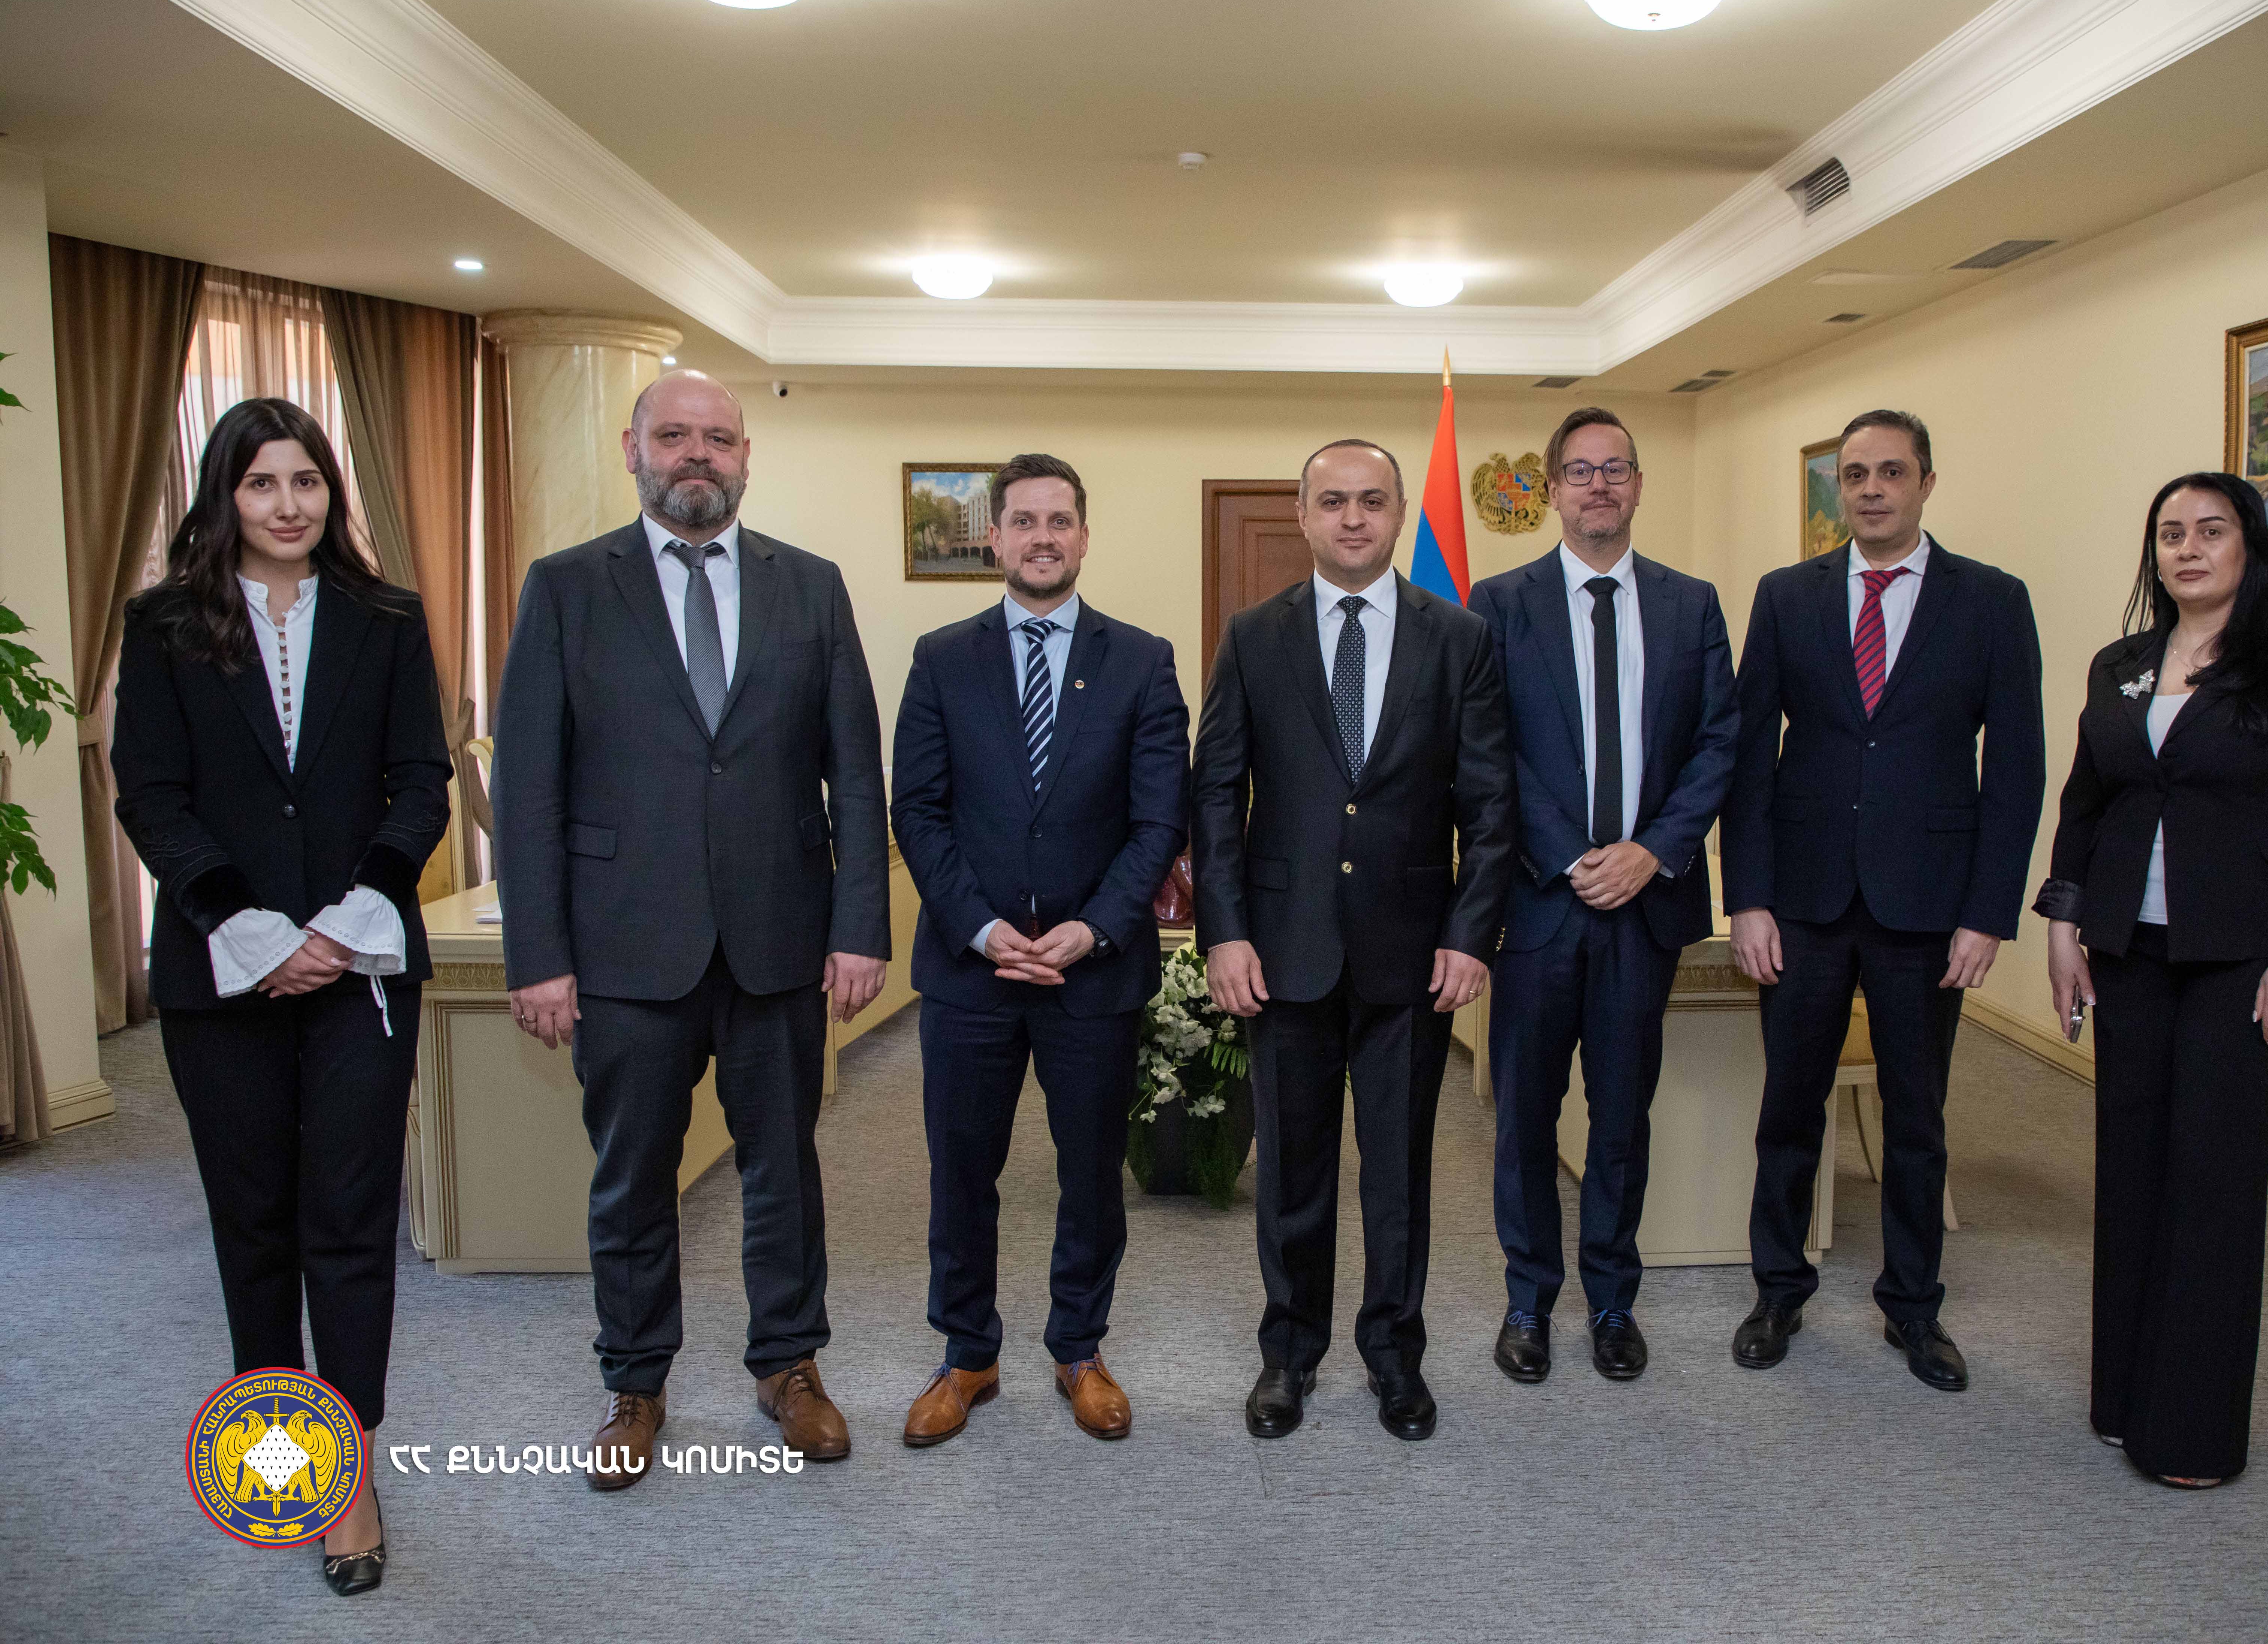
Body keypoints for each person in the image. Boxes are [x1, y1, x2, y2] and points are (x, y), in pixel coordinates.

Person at [492, 370, 890, 1489]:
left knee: (785, 1173)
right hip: (623, 949)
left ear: (747, 456)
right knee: (633, 1178)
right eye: (674, 436)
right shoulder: (567, 587)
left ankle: (790, 1367)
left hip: (778, 941)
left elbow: (856, 772)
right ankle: (635, 1382)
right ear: (634, 451)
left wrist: (860, 926)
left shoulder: (810, 587)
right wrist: (541, 955)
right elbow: (528, 789)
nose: (697, 455)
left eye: (718, 438)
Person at [114, 397, 449, 1595]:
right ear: (226, 496)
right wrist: (252, 932)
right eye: (262, 483)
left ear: (330, 493)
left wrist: (345, 922)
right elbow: (150, 795)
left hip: (361, 967)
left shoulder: (387, 618)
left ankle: (349, 1477)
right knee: (253, 1224)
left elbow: (422, 782)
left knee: (350, 1224)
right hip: (223, 970)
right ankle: (281, 1453)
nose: (289, 504)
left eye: (306, 480)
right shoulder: (163, 625)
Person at [2038, 472, 2268, 1489]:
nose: (2187, 550)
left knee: (2213, 1182)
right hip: (2129, 951)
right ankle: (2123, 1400)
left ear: (2251, 545)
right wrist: (2064, 926)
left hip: (2246, 956)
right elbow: (2087, 799)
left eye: (2211, 531)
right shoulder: (2124, 664)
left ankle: (2190, 1434)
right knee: (2131, 1169)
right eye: (2171, 534)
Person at [1192, 438, 1514, 1443]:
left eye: (1373, 501)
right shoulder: (1254, 636)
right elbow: (1216, 794)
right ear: (1303, 515)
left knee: (1399, 1174)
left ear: (1399, 512)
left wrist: (1471, 932)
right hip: (1283, 950)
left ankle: (1394, 1355)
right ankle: (1289, 1353)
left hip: (1411, 954)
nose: (1353, 519)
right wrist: (1224, 934)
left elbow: (1490, 804)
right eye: (1333, 501)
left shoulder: (1459, 636)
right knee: (1293, 1171)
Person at [1723, 408, 2043, 1391]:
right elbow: (1750, 756)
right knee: (1789, 1109)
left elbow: (2017, 768)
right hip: (1804, 901)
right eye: (1854, 474)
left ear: (1926, 484)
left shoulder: (1991, 601)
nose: (1870, 490)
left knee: (1918, 1119)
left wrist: (1988, 913)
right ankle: (1779, 1289)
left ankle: (1913, 1306)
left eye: (1891, 472)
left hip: (1928, 908)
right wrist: (1748, 898)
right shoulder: (1787, 596)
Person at [889, 454, 1189, 1446]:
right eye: (1024, 521)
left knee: (1091, 1174)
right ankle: (967, 1354)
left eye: (1061, 520)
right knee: (961, 1172)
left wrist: (1094, 926)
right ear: (995, 540)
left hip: (1092, 972)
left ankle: (1079, 1349)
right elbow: (917, 809)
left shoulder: (1142, 660)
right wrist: (982, 929)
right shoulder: (942, 658)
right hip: (969, 971)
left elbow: (1160, 819)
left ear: (1085, 537)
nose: (1043, 537)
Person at [1467, 408, 1738, 1384]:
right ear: (1552, 490)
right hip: (1539, 904)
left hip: (1645, 908)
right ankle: (1529, 1301)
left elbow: (1720, 742)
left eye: (1614, 469)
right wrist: (1573, 854)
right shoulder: (1499, 604)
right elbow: (1485, 748)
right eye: (1579, 472)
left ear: (1638, 484)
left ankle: (1615, 1301)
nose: (1598, 486)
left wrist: (1651, 853)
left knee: (1623, 1117)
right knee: (1527, 1119)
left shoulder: (1691, 605)